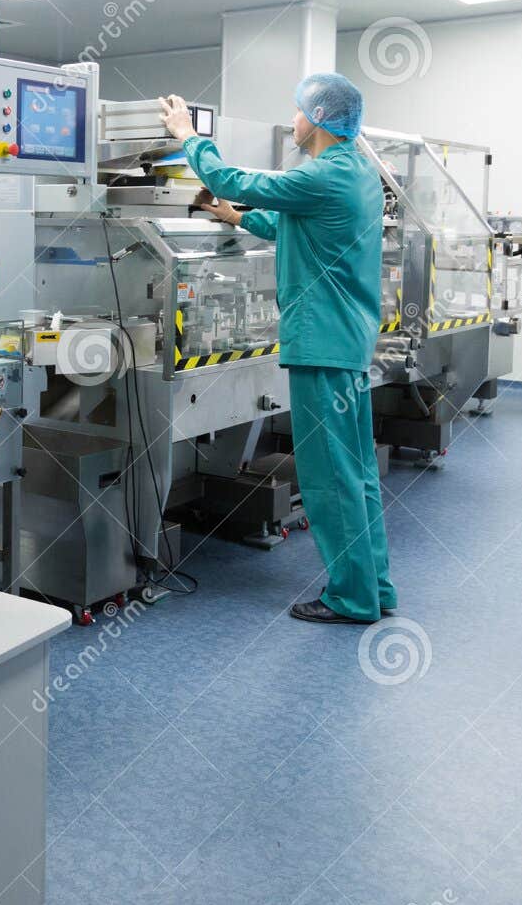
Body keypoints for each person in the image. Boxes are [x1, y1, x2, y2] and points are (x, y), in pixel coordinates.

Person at [161, 75, 394, 625]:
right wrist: (237, 216)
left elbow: (229, 177)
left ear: (318, 118)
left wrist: (187, 134)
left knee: (328, 476)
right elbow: (297, 225)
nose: (293, 121)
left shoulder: (322, 173)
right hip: (347, 342)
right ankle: (375, 587)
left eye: (297, 111)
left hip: (322, 347)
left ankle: (351, 598)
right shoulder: (356, 171)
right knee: (357, 471)